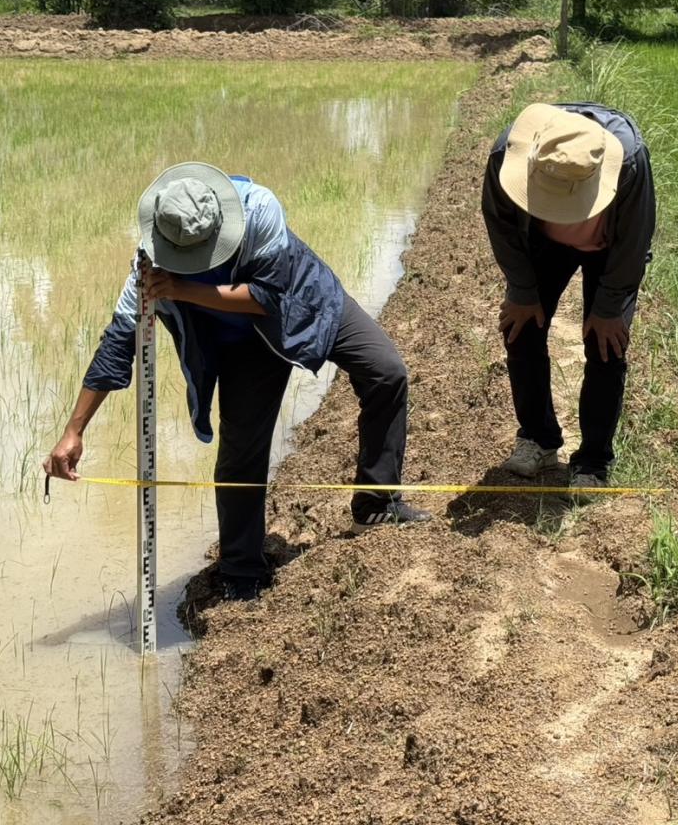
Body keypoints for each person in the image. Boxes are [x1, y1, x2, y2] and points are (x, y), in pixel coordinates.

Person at [43, 162, 430, 600]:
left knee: (386, 372)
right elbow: (117, 343)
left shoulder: (259, 208)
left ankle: (376, 504)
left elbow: (269, 295)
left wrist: (184, 290)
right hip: (244, 347)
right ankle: (241, 570)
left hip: (304, 300)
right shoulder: (149, 263)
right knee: (241, 453)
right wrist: (74, 430)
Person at [482, 103, 656, 489]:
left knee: (606, 344)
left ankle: (593, 460)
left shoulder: (629, 163)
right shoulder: (506, 154)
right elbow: (501, 223)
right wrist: (522, 289)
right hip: (540, 242)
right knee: (521, 329)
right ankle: (537, 438)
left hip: (610, 248)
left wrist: (610, 307)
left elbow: (635, 237)